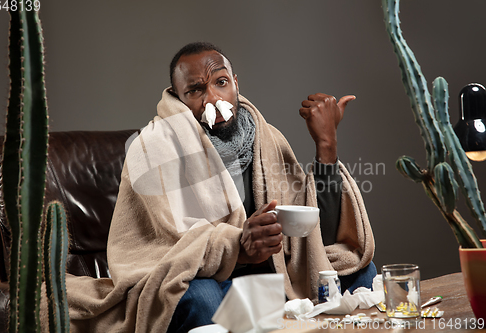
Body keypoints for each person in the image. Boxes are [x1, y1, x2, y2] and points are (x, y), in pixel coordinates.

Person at [64, 42, 375, 333]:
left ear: (236, 83)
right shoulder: (153, 148)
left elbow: (319, 238)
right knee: (200, 296)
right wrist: (238, 245)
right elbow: (165, 253)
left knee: (359, 269)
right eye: (196, 90)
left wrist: (326, 145)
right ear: (178, 96)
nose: (213, 98)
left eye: (221, 82)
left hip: (271, 286)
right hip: (217, 288)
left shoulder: (266, 139)